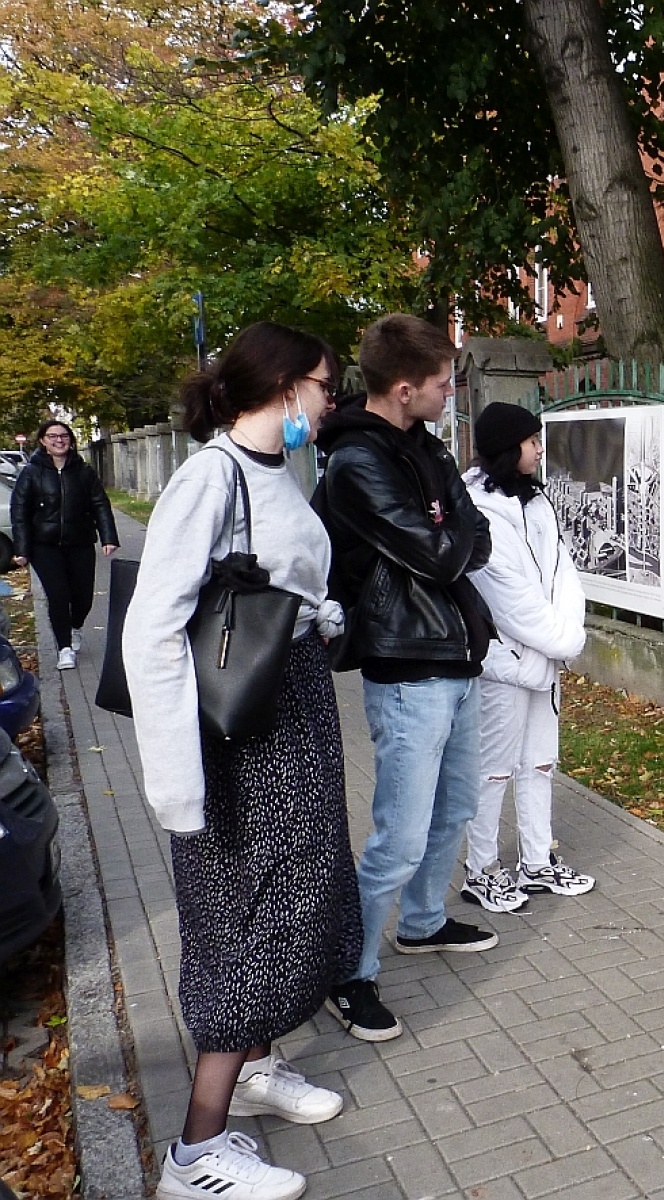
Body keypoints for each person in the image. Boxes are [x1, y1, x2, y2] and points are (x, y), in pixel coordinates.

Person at [123, 322, 361, 1200]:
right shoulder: (209, 478)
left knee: (304, 886)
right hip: (238, 742)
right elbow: (153, 630)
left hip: (288, 710)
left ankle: (255, 1071)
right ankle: (194, 1153)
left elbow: (272, 589)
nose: (329, 402)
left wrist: (318, 617)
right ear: (287, 385)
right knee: (253, 917)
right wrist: (176, 782)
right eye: (325, 386)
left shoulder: (276, 470)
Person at [312, 313, 496, 1043]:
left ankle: (420, 924)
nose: (453, 393)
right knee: (400, 835)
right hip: (406, 667)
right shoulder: (357, 462)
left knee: (455, 810)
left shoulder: (426, 447)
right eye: (446, 383)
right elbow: (446, 555)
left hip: (456, 656)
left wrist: (446, 528)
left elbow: (472, 534)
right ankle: (349, 974)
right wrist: (446, 530)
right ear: (404, 386)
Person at [460, 403, 593, 912]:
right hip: (506, 664)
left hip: (544, 658)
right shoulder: (478, 507)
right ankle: (482, 869)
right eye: (531, 440)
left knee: (540, 762)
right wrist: (563, 643)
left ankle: (537, 861)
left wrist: (565, 636)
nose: (539, 448)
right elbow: (508, 598)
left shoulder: (537, 501)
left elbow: (564, 574)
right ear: (506, 447)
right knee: (493, 769)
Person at [10, 420, 120, 669]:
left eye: (64, 436)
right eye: (53, 436)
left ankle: (75, 626)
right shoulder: (31, 472)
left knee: (83, 597)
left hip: (79, 542)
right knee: (58, 596)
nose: (59, 440)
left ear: (70, 440)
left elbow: (100, 503)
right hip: (44, 546)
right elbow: (19, 512)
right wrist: (22, 550)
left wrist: (109, 537)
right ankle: (64, 649)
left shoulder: (83, 471)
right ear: (43, 441)